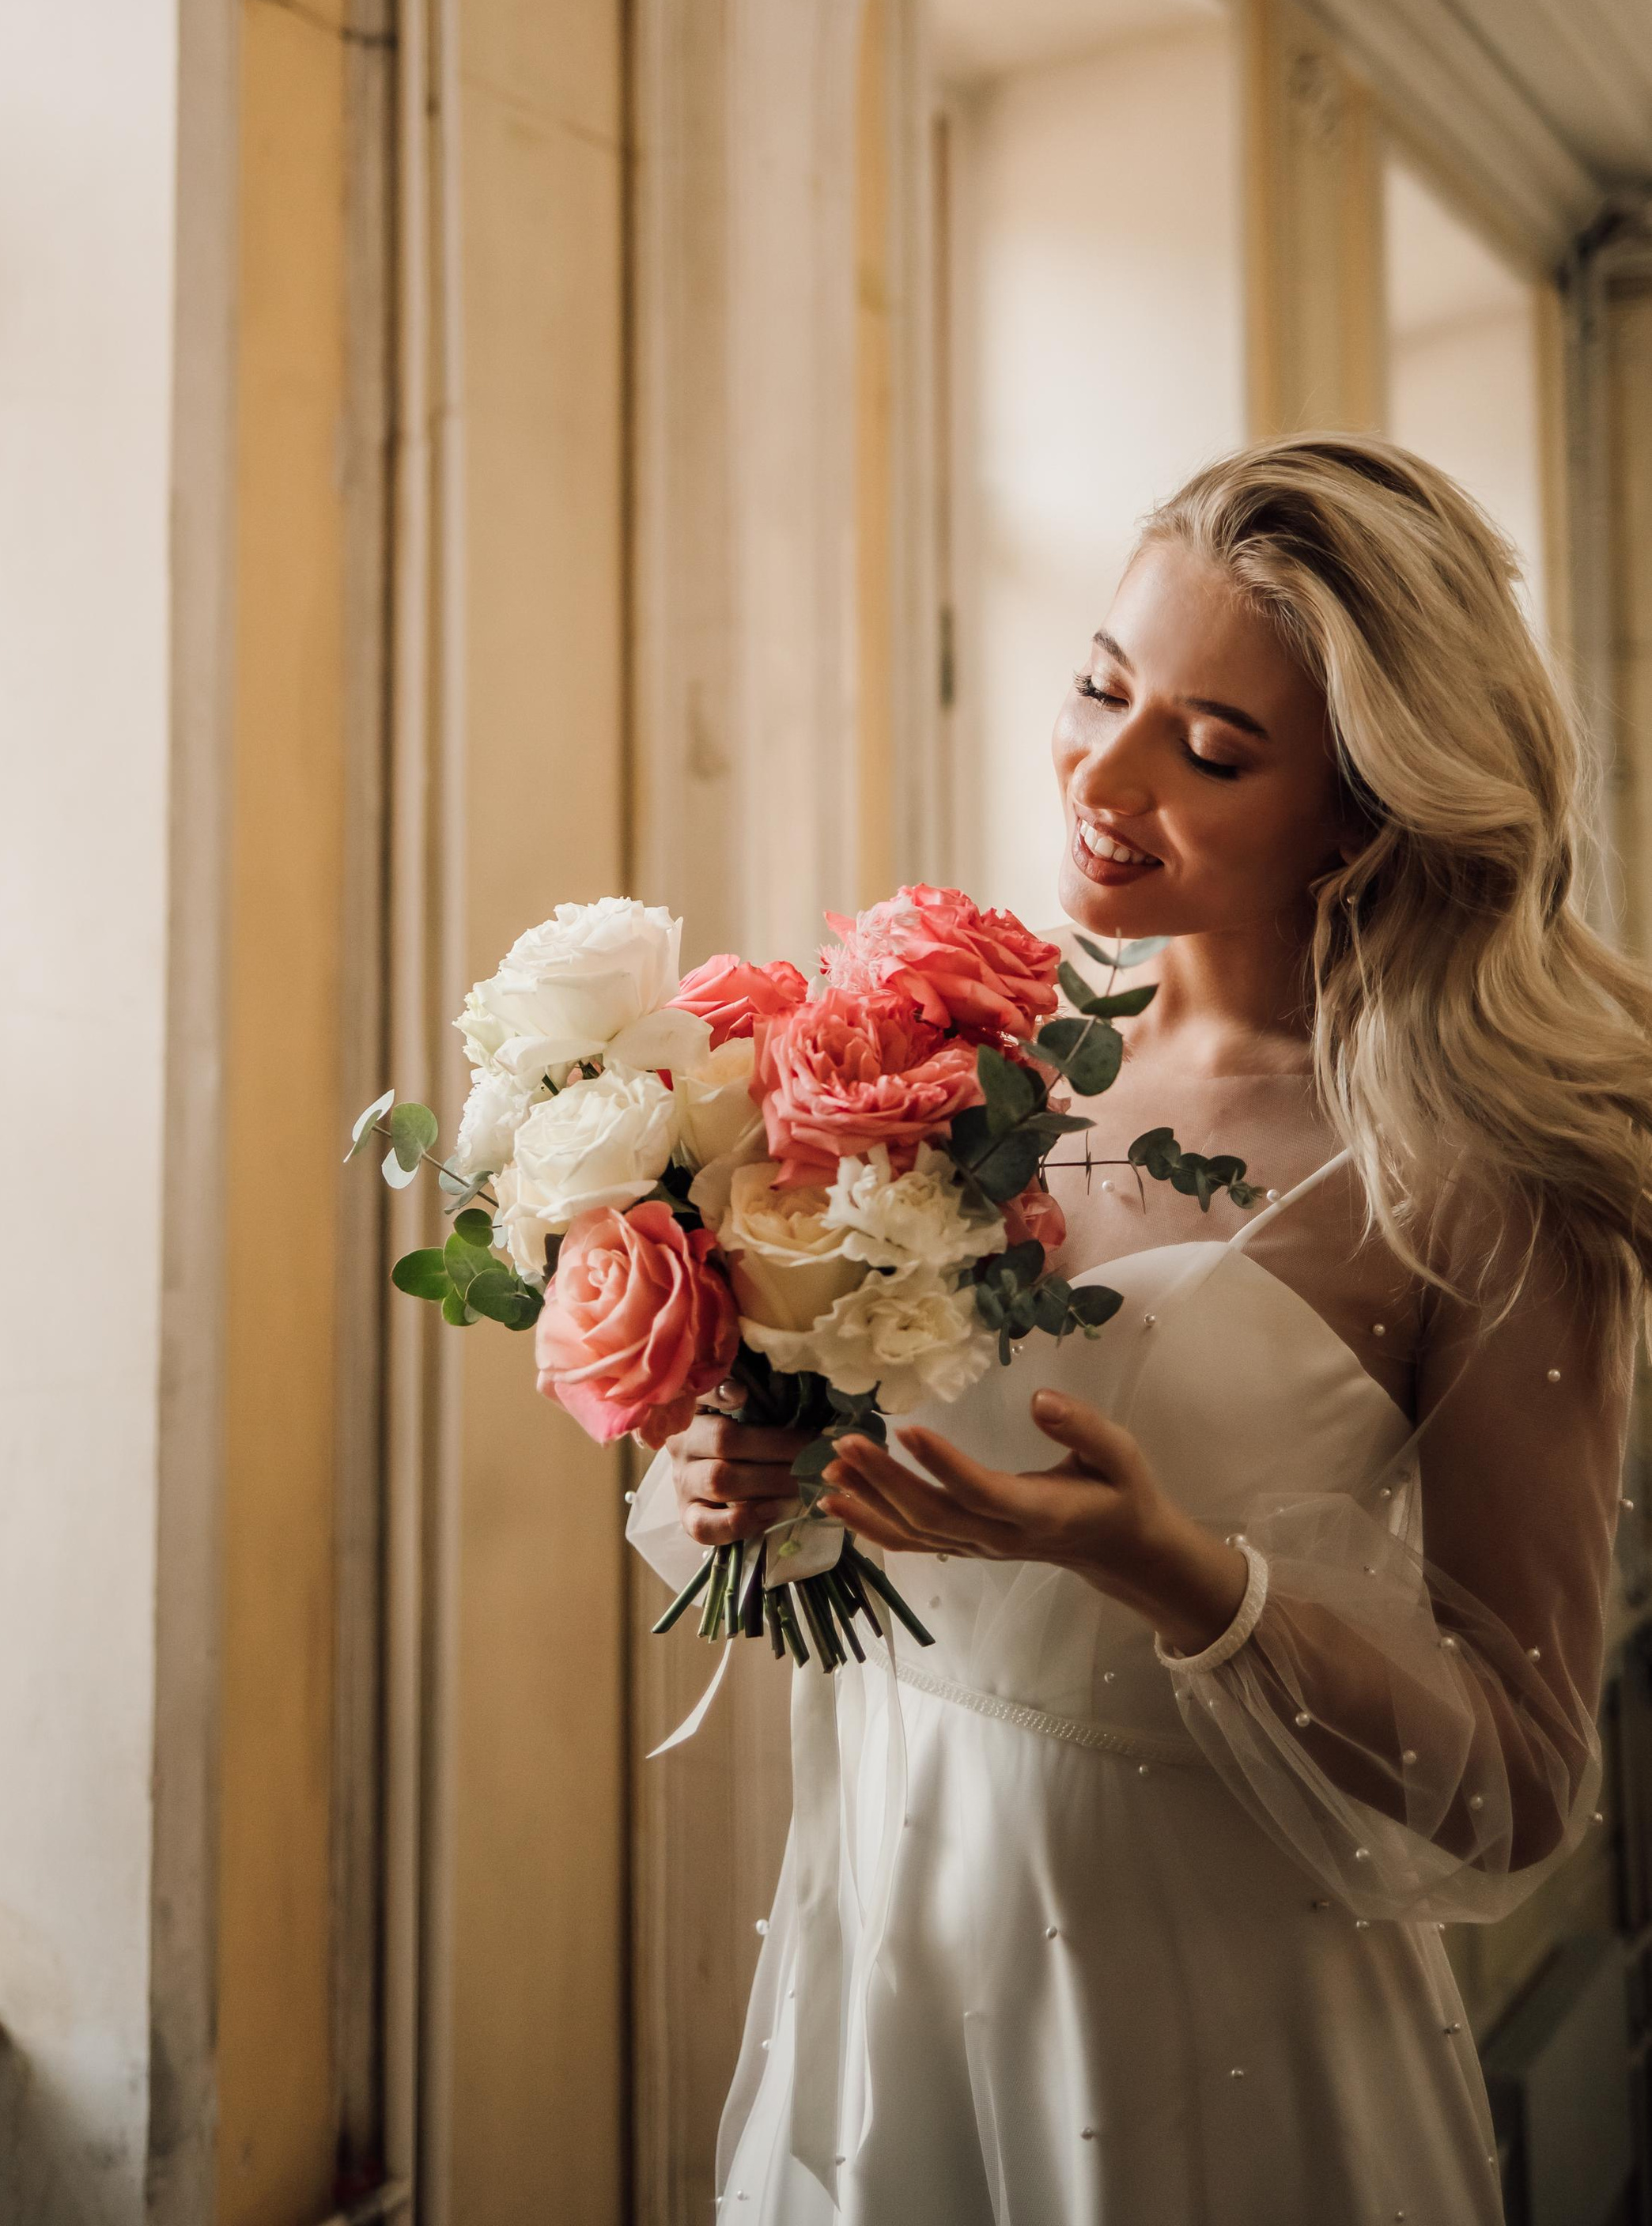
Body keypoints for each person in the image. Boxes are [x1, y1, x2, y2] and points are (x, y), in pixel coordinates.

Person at [636, 435, 1652, 2226]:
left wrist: (1186, 1578)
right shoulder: (961, 1048)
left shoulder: (1475, 1182)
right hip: (885, 1914)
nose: (1102, 776)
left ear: (1360, 810)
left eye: (1209, 749)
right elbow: (864, 1525)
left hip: (1205, 2016)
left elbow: (1513, 1789)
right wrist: (751, 1465)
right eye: (1101, 685)